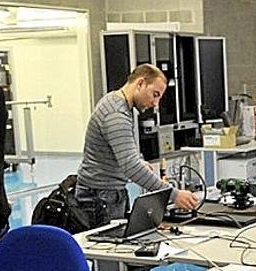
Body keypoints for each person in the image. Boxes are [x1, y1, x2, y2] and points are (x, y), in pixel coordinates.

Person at [76, 64, 198, 222]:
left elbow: (120, 154)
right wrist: (173, 194)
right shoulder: (116, 115)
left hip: (106, 194)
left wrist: (138, 162)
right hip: (100, 198)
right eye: (155, 94)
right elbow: (130, 166)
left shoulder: (117, 104)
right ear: (140, 83)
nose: (155, 104)